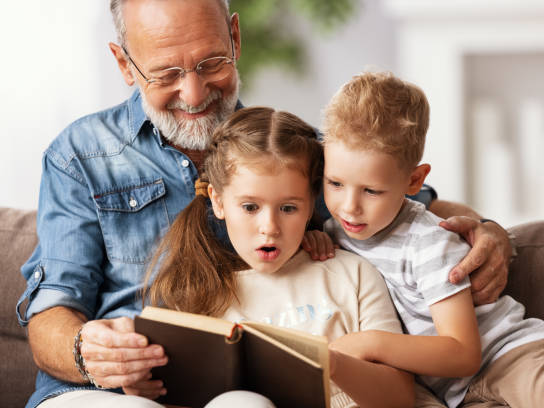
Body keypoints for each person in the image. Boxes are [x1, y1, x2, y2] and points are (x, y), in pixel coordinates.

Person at [16, 0, 511, 407]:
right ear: (125, 64)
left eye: (212, 62)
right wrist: (93, 354)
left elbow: (399, 199)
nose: (194, 92)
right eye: (167, 73)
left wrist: (487, 229)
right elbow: (50, 315)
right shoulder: (80, 155)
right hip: (103, 391)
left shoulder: (290, 151)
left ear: (235, 37)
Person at [316, 71, 544, 407]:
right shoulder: (335, 232)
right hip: (454, 391)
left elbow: (463, 353)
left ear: (414, 180)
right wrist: (316, 240)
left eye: (371, 190)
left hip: (509, 356)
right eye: (335, 183)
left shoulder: (428, 242)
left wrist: (369, 344)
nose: (349, 207)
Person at [143, 106, 414, 407]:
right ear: (218, 202)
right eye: (250, 208)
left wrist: (331, 364)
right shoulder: (196, 294)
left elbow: (400, 398)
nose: (269, 228)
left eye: (288, 208)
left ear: (311, 205)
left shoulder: (353, 275)